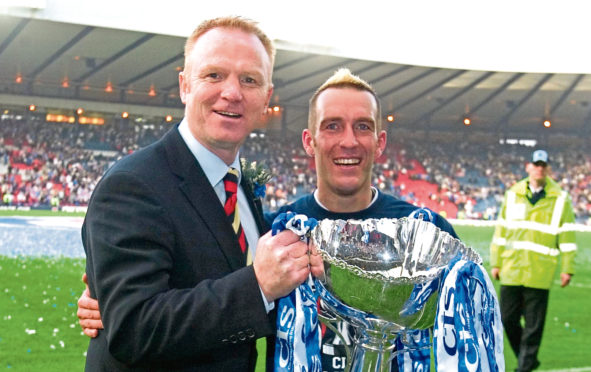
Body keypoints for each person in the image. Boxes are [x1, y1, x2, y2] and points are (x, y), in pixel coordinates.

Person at [79, 68, 459, 371]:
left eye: (363, 126)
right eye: (332, 126)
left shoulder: (427, 232)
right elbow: (211, 285)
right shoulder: (279, 233)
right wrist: (107, 303)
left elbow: (465, 333)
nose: (348, 141)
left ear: (380, 142)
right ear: (309, 142)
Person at [81, 16, 322, 371]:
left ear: (266, 98)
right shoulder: (132, 184)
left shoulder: (240, 188)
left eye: (249, 80)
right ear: (184, 85)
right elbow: (133, 330)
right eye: (214, 75)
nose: (232, 92)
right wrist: (258, 285)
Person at [490, 149, 577, 372]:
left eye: (543, 165)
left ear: (547, 169)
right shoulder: (512, 193)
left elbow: (567, 235)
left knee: (533, 327)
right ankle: (527, 360)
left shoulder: (560, 199)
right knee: (507, 320)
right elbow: (501, 230)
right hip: (511, 268)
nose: (539, 168)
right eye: (536, 164)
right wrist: (495, 262)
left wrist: (567, 267)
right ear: (528, 166)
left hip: (540, 271)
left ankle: (524, 367)